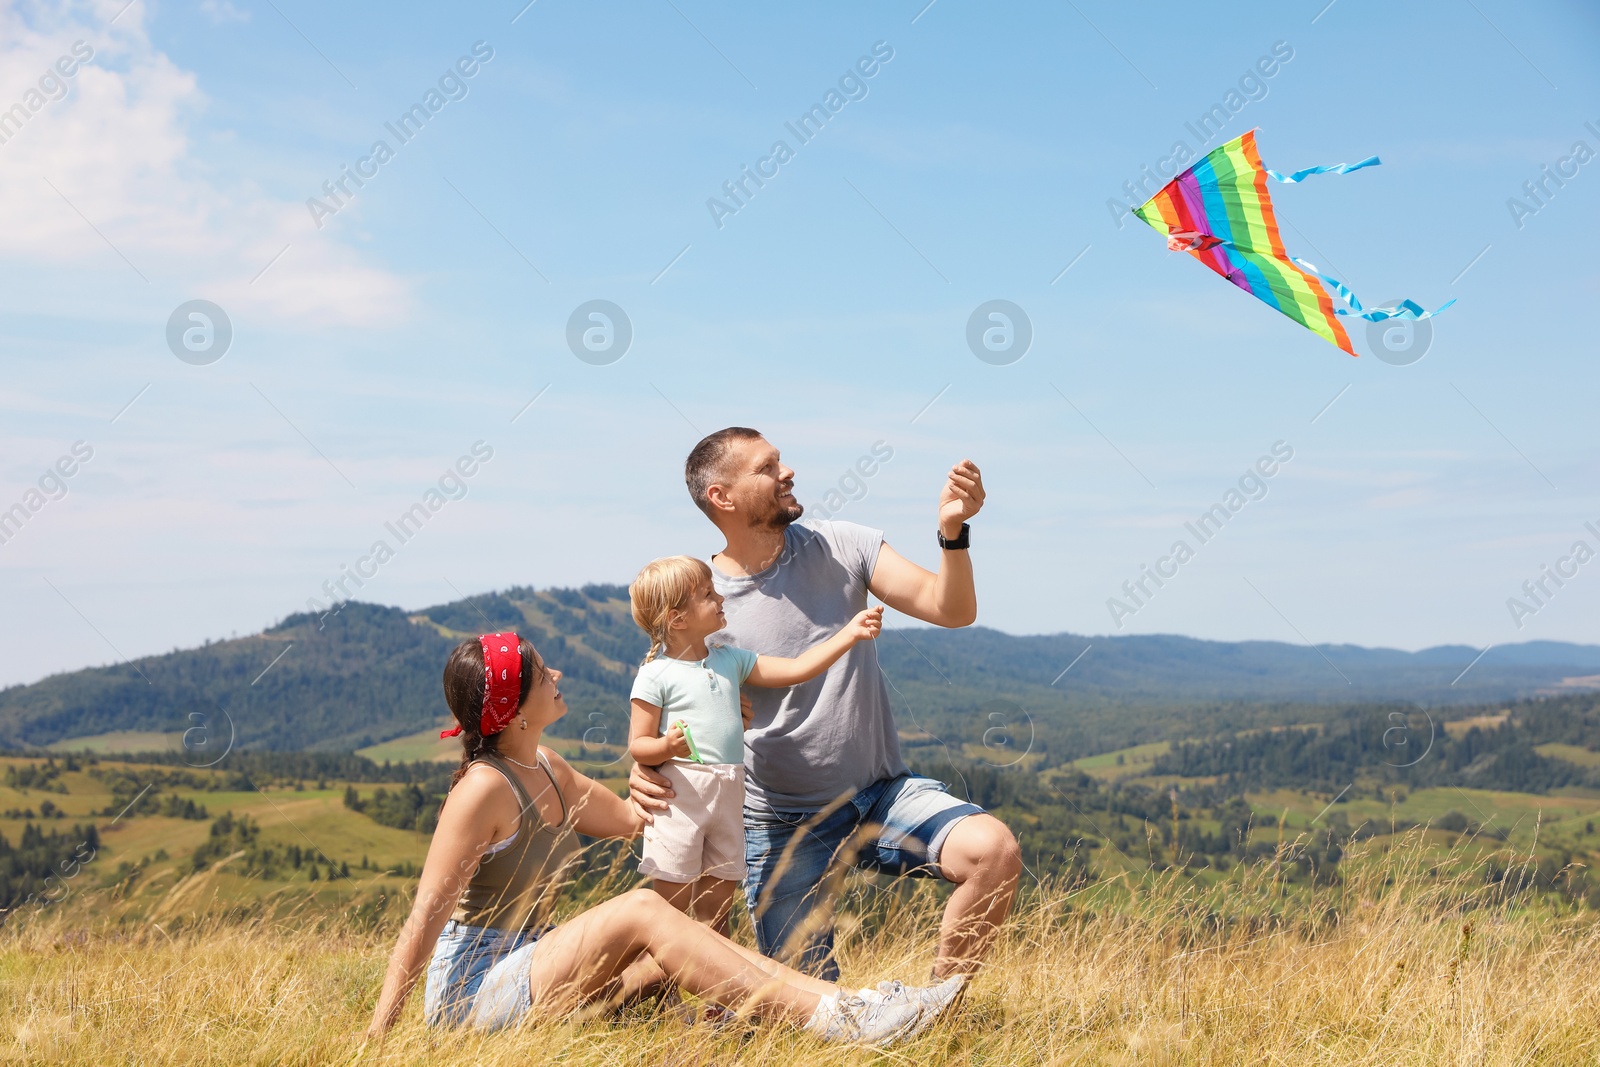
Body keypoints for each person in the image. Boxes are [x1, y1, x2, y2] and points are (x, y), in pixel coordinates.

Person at [363, 631, 962, 1047]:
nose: (558, 674)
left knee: (679, 949)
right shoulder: (482, 790)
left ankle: (859, 1003)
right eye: (543, 673)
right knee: (645, 909)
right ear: (514, 709)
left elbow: (633, 818)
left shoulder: (547, 766)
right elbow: (425, 920)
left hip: (529, 971)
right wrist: (377, 1038)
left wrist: (709, 726)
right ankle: (842, 1020)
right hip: (471, 996)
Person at [629, 429, 1023, 982]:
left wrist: (952, 534)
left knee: (994, 852)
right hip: (778, 822)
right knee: (806, 1009)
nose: (787, 472)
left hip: (880, 795)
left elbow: (950, 608)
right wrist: (643, 766)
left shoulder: (843, 545)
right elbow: (672, 704)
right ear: (723, 497)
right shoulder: (702, 604)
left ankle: (939, 1014)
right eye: (768, 467)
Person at [627, 554, 883, 934]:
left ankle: (716, 991)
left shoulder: (730, 660)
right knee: (671, 911)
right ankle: (665, 991)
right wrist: (667, 747)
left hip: (730, 795)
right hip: (680, 799)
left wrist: (849, 633)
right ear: (678, 619)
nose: (720, 599)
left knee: (716, 910)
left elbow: (795, 670)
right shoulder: (654, 675)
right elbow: (638, 745)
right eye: (708, 595)